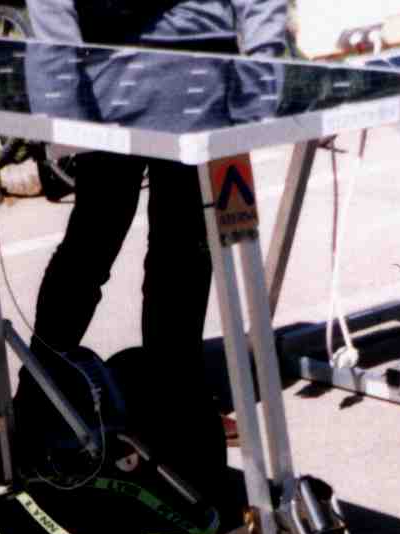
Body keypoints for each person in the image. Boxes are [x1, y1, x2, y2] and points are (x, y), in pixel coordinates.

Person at [18, 1, 289, 499]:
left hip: (206, 82)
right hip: (111, 82)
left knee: (183, 259)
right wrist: (61, 107)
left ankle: (179, 416)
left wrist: (261, 75)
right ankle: (40, 399)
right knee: (93, 247)